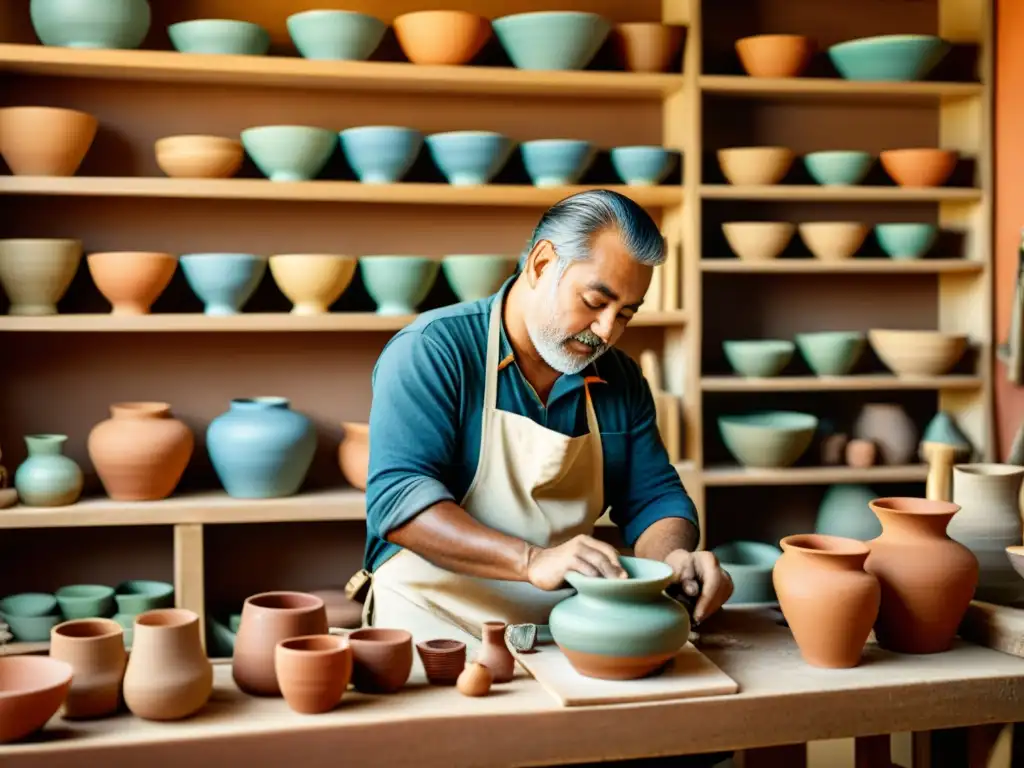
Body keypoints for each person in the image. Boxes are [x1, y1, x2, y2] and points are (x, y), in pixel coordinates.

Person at [353, 188, 733, 644]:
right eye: (595, 302)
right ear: (540, 264)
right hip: (432, 625)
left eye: (626, 314)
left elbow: (655, 497)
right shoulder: (434, 350)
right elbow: (400, 500)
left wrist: (673, 561)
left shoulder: (620, 379)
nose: (607, 331)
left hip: (561, 630)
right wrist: (531, 560)